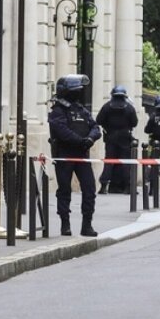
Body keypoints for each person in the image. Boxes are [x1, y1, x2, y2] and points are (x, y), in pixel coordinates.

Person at [48, 74, 101, 237]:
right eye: (74, 91)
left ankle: (87, 225)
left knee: (90, 189)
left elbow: (95, 127)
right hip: (65, 155)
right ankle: (65, 224)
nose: (77, 93)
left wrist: (90, 139)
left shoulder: (80, 110)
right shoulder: (57, 111)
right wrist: (81, 141)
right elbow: (62, 132)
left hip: (82, 155)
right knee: (64, 190)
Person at [96, 85, 138, 195]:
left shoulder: (106, 107)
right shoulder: (129, 107)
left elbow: (99, 120)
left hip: (110, 137)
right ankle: (127, 186)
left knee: (109, 162)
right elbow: (134, 122)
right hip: (125, 137)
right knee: (125, 162)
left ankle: (104, 185)